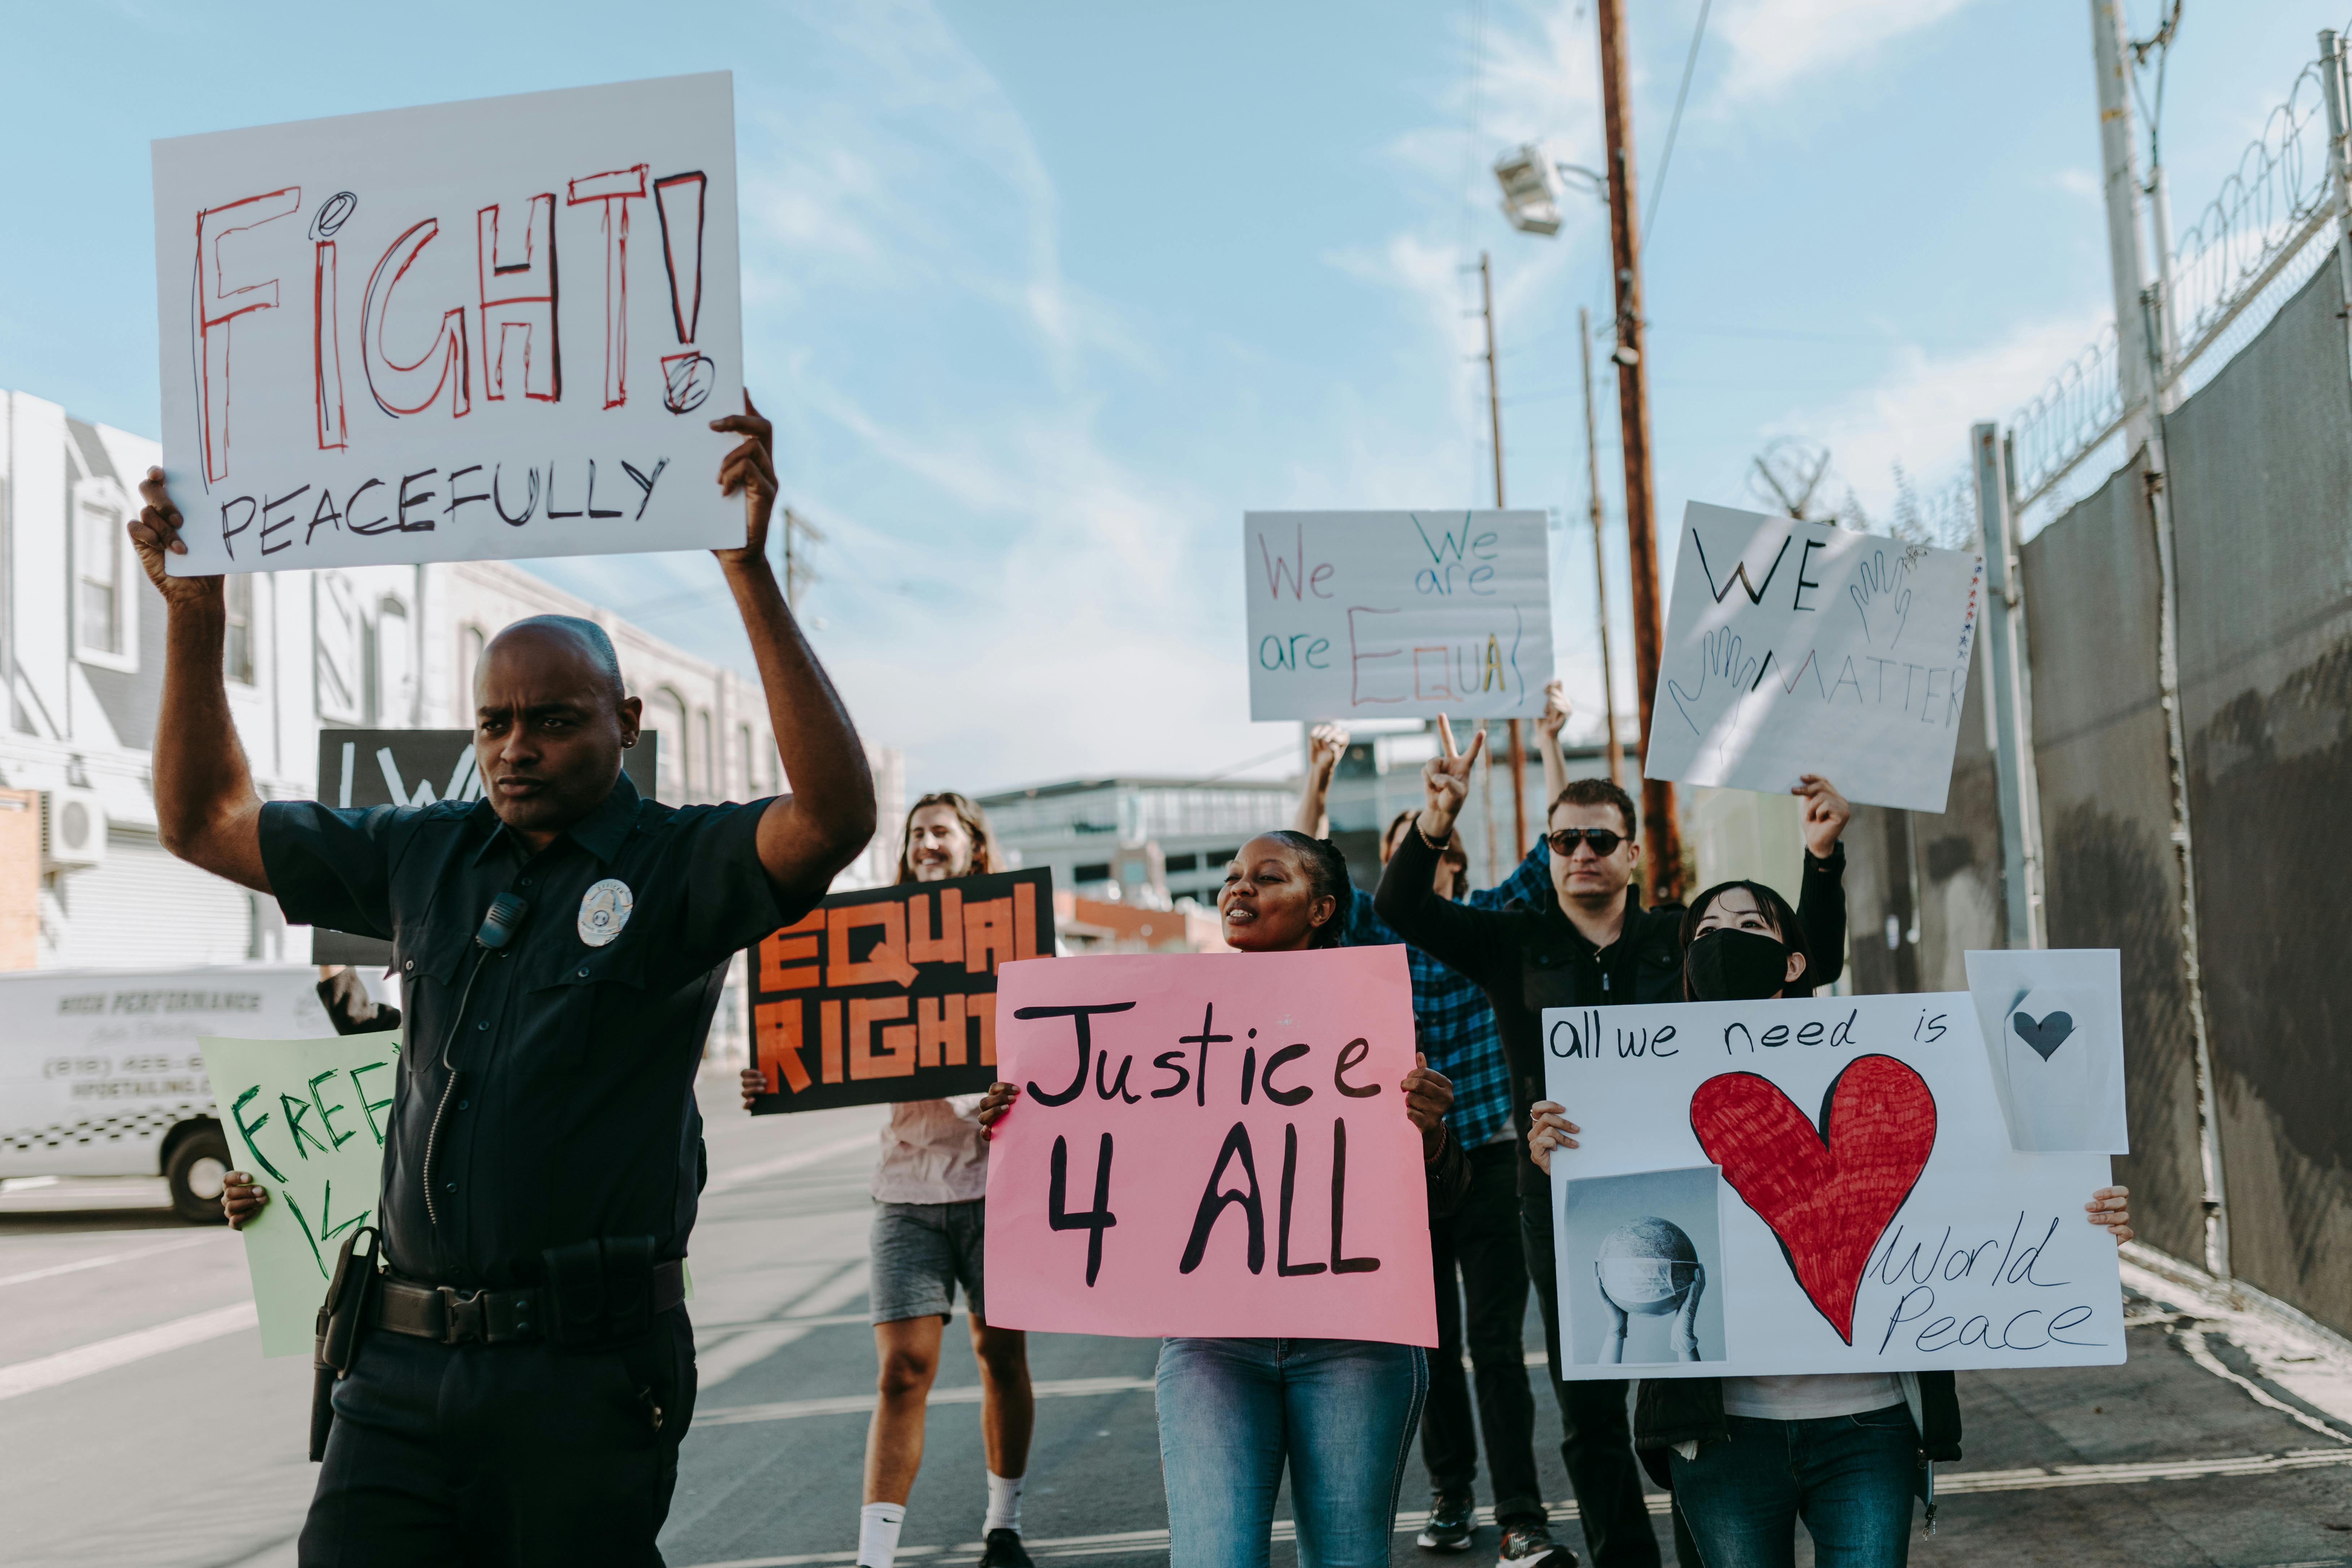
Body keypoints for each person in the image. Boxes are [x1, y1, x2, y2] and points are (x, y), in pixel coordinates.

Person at [170, 394, 877, 1566]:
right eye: (494, 722)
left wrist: (746, 572)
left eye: (551, 720)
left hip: (582, 1380)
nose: (515, 747)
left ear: (626, 722)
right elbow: (205, 820)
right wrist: (197, 614)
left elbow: (834, 817)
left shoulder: (679, 866)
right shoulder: (424, 854)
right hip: (393, 1376)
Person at [1526, 879, 2137, 1567]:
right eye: (1705, 932)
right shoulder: (1636, 1087)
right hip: (1723, 1436)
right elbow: (1611, 1236)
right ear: (1689, 962)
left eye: (1748, 926)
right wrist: (1566, 1171)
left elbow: (1989, 1179)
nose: (1725, 942)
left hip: (1869, 1425)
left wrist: (2081, 1221)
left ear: (1793, 962)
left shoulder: (1915, 1052)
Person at [1374, 718, 1855, 1568]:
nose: (1582, 853)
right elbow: (1399, 908)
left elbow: (1803, 966)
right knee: (1590, 1407)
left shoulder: (1680, 937)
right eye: (1565, 839)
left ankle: (1706, 1555)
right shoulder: (1509, 938)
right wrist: (1437, 820)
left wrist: (1822, 859)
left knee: (1696, 1390)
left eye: (1601, 839)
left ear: (1633, 853)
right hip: (1557, 1198)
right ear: (1550, 851)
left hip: (1690, 1192)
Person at [980, 830, 1470, 1568]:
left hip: (1356, 1342)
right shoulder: (1163, 1020)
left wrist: (1429, 1133)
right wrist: (1025, 1119)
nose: (1239, 888)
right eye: (1233, 875)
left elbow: (1443, 1199)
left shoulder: (1375, 1014)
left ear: (1322, 909)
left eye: (1268, 878)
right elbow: (1121, 1146)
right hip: (1213, 1343)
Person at [737, 792, 1037, 1568]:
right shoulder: (875, 939)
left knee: (1001, 1356)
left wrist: (1024, 1092)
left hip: (999, 1187)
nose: (925, 843)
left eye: (941, 831)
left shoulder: (1021, 940)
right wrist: (775, 1071)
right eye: (915, 834)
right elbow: (820, 1023)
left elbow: (1066, 1043)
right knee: (902, 1369)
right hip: (907, 1188)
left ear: (974, 846)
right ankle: (875, 1558)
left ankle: (1003, 1525)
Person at [1294, 721, 1561, 1567]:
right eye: (1401, 850)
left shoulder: (1492, 922)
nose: (1412, 858)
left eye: (1427, 846)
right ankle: (1452, 1495)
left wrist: (1552, 743)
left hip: (1492, 1157)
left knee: (1496, 1345)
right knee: (1431, 1342)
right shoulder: (1370, 932)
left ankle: (1521, 1513)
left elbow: (1558, 846)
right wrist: (1319, 776)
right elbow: (1306, 868)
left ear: (1454, 862)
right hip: (1406, 1169)